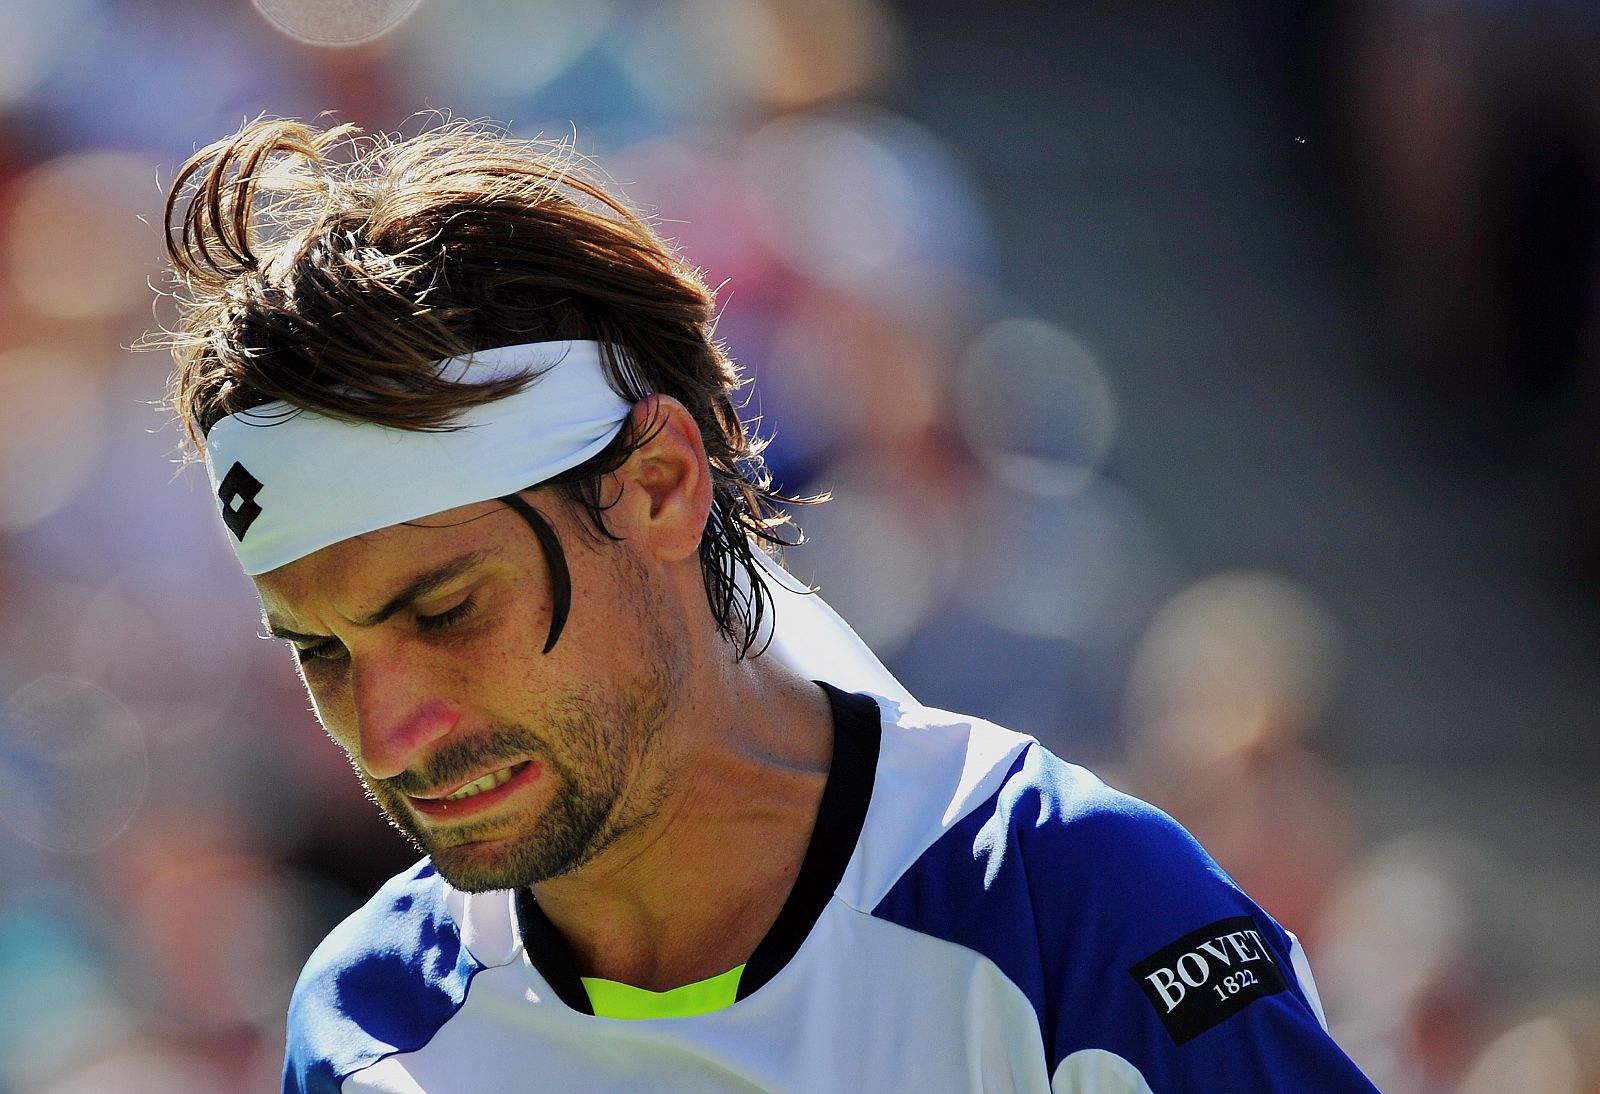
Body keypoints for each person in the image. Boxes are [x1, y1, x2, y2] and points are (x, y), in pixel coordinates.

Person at [156, 117, 1379, 1093]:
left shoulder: (1074, 909)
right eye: (321, 651)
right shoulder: (364, 1019)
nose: (388, 729)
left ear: (659, 487)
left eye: (444, 610)